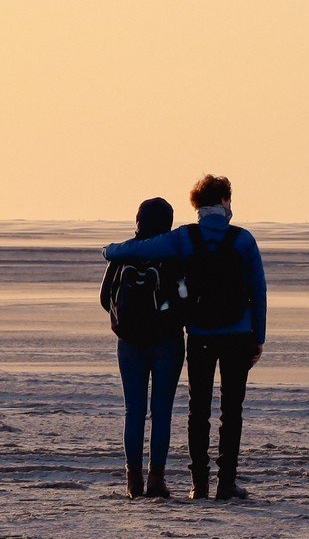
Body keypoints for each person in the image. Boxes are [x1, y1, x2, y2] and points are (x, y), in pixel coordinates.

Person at [103, 174, 267, 500]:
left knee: (196, 411)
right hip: (235, 334)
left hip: (199, 334)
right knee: (231, 410)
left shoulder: (184, 238)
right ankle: (225, 483)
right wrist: (258, 337)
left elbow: (139, 250)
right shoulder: (244, 239)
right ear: (224, 202)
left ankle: (197, 485)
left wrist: (109, 250)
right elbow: (259, 291)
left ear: (196, 205)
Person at [100, 197, 186, 499]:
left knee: (133, 410)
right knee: (161, 412)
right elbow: (183, 296)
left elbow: (104, 297)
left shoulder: (124, 253)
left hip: (129, 343)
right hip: (168, 342)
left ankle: (132, 480)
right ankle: (156, 479)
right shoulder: (173, 254)